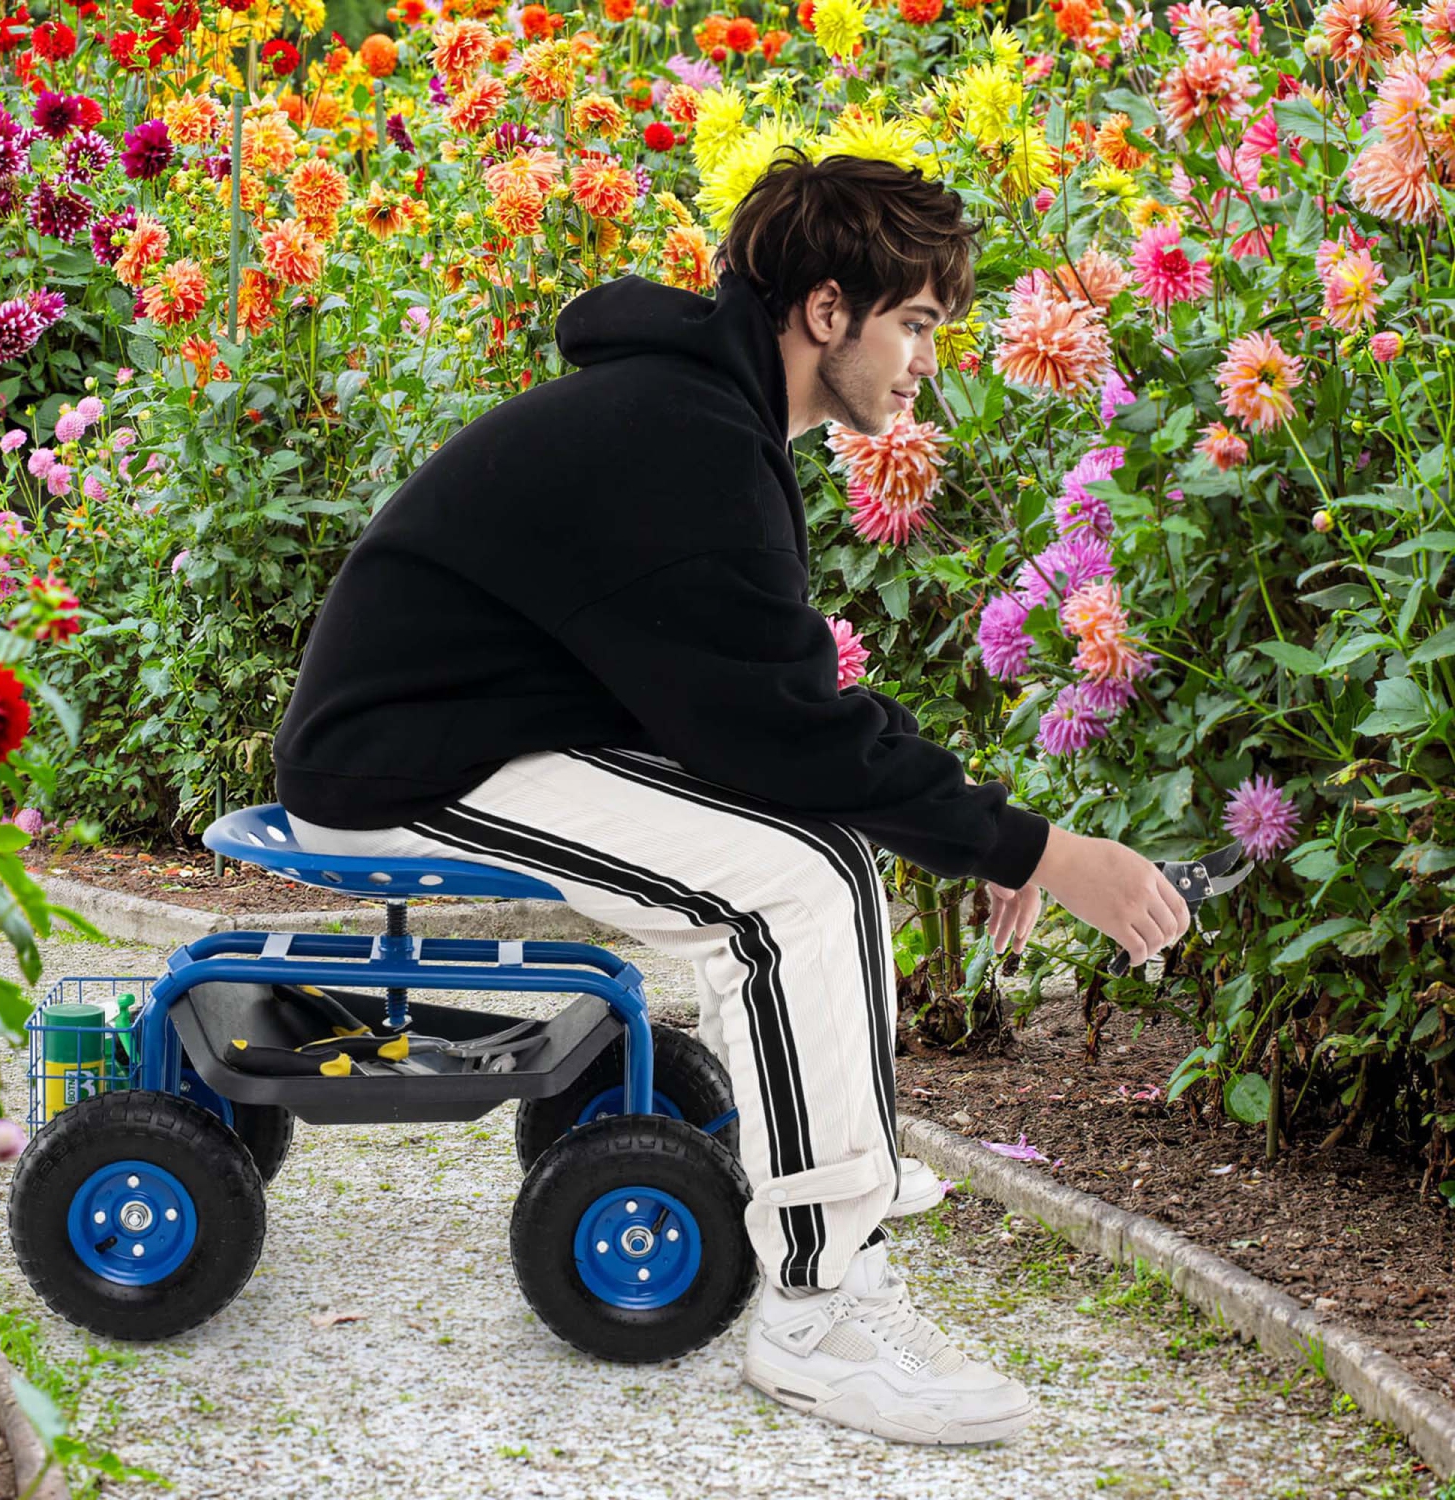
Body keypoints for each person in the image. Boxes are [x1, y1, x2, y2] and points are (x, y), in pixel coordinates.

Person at [272, 145, 1192, 1446]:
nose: (927, 358)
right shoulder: (684, 439)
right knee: (791, 885)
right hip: (397, 765)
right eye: (915, 323)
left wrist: (981, 837)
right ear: (828, 311)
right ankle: (821, 1315)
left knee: (814, 853)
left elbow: (765, 726)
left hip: (482, 735)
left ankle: (837, 1209)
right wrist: (1041, 851)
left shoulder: (697, 421)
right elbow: (790, 726)